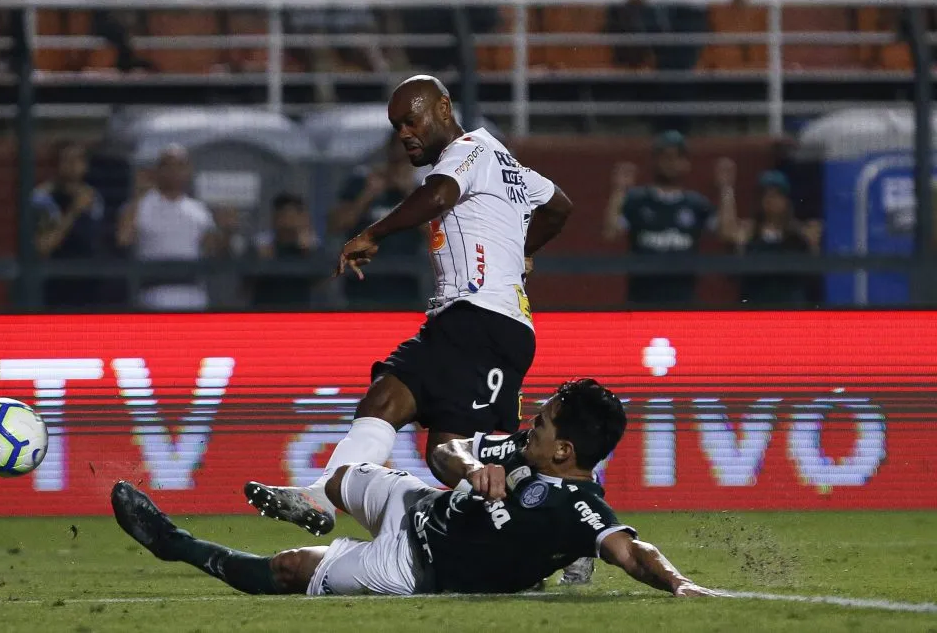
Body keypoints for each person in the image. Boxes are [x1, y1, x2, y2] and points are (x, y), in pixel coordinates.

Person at [243, 75, 574, 537]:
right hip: (473, 322)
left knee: (449, 449)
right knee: (397, 407)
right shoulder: (504, 160)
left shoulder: (469, 151)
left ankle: (562, 513)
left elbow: (439, 195)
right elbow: (559, 206)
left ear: (443, 108)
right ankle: (322, 496)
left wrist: (374, 233)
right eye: (397, 125)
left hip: (481, 320)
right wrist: (520, 253)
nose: (404, 134)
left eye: (411, 120)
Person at [112, 379, 722, 598]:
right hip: (423, 505)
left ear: (565, 450)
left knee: (288, 570)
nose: (529, 423)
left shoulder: (577, 505)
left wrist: (680, 583)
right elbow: (452, 449)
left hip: (416, 564)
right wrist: (466, 469)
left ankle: (174, 543)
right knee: (344, 476)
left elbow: (630, 550)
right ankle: (315, 505)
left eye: (542, 420)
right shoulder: (519, 452)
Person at [603, 131, 738, 306]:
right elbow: (610, 232)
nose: (671, 163)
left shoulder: (696, 204)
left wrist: (726, 189)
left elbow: (728, 233)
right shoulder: (637, 201)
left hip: (683, 298)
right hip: (642, 299)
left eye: (676, 157)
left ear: (686, 163)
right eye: (665, 157)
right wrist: (619, 190)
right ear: (655, 161)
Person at [115, 145, 235, 312]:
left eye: (180, 166)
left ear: (188, 171)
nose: (174, 172)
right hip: (154, 295)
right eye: (168, 166)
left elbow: (214, 250)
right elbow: (123, 239)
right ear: (157, 170)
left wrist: (228, 231)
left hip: (193, 295)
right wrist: (138, 194)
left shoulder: (199, 210)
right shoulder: (141, 206)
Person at [328, 131, 423, 308]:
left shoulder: (420, 192)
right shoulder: (361, 184)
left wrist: (409, 194)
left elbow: (435, 236)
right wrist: (367, 195)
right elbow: (336, 225)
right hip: (362, 285)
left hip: (404, 286)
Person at [33, 140, 106, 310]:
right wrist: (74, 211)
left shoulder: (94, 198)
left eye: (78, 160)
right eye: (67, 160)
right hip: (56, 287)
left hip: (90, 289)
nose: (73, 166)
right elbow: (43, 246)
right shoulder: (43, 199)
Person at [736, 171, 821, 305]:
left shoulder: (798, 235)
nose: (770, 200)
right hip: (757, 308)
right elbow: (739, 272)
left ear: (786, 200)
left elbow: (813, 274)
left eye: (775, 195)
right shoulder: (749, 234)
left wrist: (813, 245)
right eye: (766, 195)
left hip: (791, 311)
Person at [249, 192, 321, 308]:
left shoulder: (312, 246)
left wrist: (308, 253)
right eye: (282, 216)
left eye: (292, 216)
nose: (287, 222)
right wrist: (262, 261)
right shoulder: (261, 245)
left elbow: (322, 286)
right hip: (266, 310)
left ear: (301, 218)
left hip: (302, 311)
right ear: (274, 218)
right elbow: (244, 287)